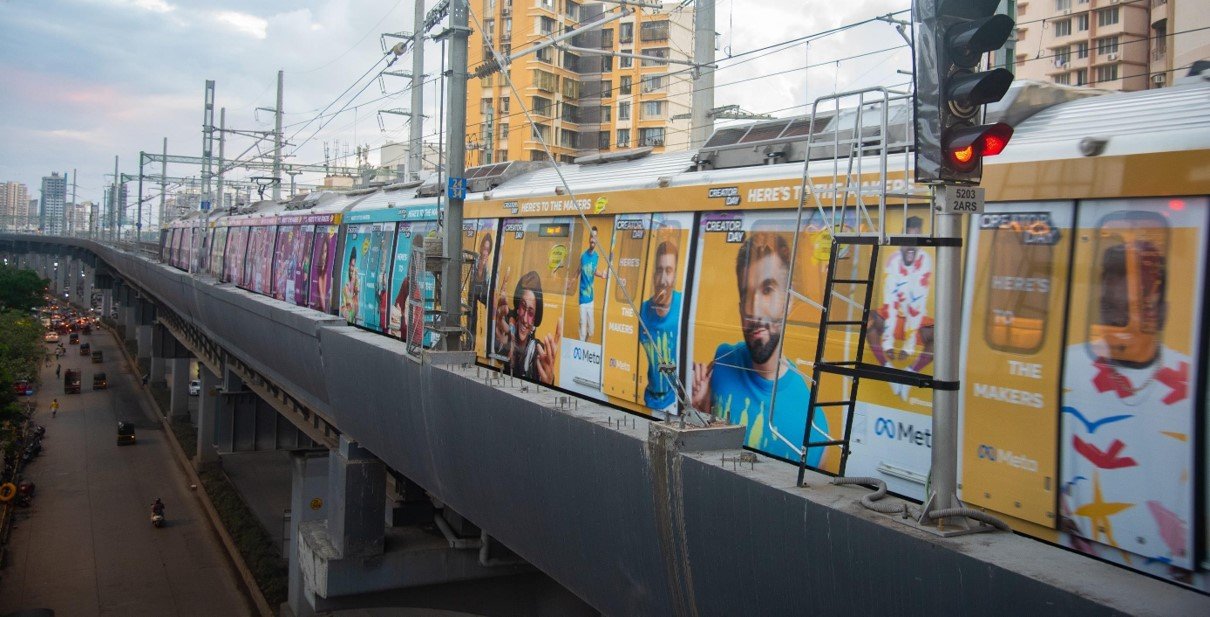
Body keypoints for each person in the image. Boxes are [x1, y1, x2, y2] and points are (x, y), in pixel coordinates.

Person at [691, 232, 828, 466]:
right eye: (746, 294)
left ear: (788, 302)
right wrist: (700, 410)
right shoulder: (722, 360)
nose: (754, 309)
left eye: (767, 290)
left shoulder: (815, 425)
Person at [866, 216, 935, 399]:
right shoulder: (893, 260)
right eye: (908, 239)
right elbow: (891, 302)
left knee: (942, 336)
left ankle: (911, 374)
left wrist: (908, 347)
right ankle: (888, 371)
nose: (911, 246)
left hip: (915, 319)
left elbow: (917, 305)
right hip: (893, 316)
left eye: (917, 240)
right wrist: (888, 342)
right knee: (868, 319)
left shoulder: (925, 260)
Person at [494, 270, 560, 384]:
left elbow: (545, 382)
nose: (525, 319)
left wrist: (549, 383)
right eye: (523, 307)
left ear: (535, 319)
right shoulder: (508, 333)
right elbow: (499, 356)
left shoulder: (539, 352)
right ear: (518, 309)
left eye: (530, 313)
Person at [639, 241, 683, 412]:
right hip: (648, 402)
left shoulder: (683, 305)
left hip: (675, 401)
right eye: (659, 270)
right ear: (653, 276)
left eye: (669, 271)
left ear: (675, 276)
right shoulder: (642, 310)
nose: (664, 279)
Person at [568, 226, 607, 341]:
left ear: (596, 239)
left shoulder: (596, 257)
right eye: (591, 236)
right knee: (583, 328)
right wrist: (571, 282)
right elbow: (578, 271)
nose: (592, 239)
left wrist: (602, 275)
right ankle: (582, 349)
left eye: (595, 236)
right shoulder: (583, 256)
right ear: (589, 238)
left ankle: (587, 347)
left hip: (591, 299)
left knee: (591, 329)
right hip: (582, 299)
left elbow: (594, 271)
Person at [340, 247, 360, 322]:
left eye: (354, 266)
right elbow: (349, 296)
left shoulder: (356, 285)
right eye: (351, 265)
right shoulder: (345, 286)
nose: (352, 269)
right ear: (348, 265)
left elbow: (357, 309)